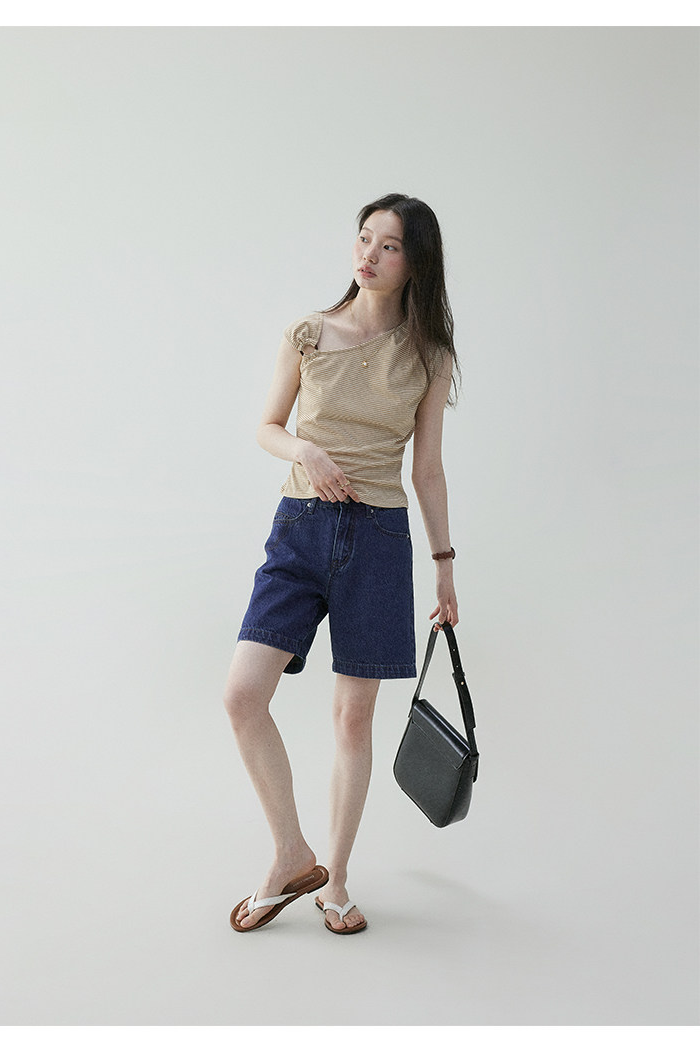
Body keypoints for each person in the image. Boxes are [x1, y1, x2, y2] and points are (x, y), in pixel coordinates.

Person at [224, 193, 461, 935]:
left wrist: (445, 566)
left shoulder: (430, 356)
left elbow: (428, 469)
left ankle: (337, 878)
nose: (369, 254)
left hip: (380, 539)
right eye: (364, 238)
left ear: (415, 262)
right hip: (299, 529)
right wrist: (306, 449)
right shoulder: (308, 332)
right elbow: (267, 426)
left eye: (389, 245)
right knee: (242, 696)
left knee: (353, 718)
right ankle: (291, 854)